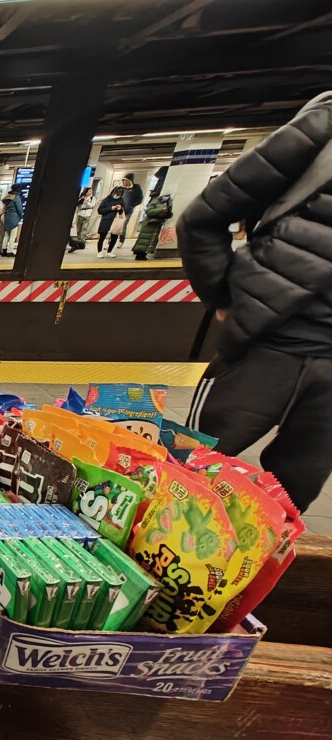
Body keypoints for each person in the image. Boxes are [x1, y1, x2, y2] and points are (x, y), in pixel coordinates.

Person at [179, 91, 332, 512]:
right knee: (184, 477)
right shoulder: (323, 127)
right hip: (269, 345)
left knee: (291, 501)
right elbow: (200, 219)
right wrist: (224, 297)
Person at [132, 191, 172, 261]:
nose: (166, 198)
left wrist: (168, 213)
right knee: (144, 239)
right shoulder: (155, 202)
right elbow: (149, 212)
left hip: (157, 224)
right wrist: (161, 210)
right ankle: (139, 254)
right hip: (149, 223)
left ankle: (143, 254)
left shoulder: (168, 204)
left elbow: (169, 215)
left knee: (151, 240)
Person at [95, 186, 128, 258]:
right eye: (117, 193)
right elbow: (100, 210)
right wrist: (111, 208)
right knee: (102, 237)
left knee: (114, 237)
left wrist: (120, 209)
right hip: (106, 220)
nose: (117, 196)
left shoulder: (121, 200)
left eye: (120, 194)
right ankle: (99, 252)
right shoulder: (107, 199)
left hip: (116, 222)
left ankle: (109, 251)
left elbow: (124, 212)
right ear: (113, 192)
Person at [116, 173, 144, 251]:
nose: (124, 182)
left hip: (128, 210)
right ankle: (111, 240)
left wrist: (132, 205)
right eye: (123, 180)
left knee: (123, 225)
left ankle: (121, 240)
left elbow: (140, 199)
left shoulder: (136, 188)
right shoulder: (121, 188)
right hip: (119, 210)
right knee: (115, 224)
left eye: (126, 180)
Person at [0, 189, 24, 256]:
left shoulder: (8, 196)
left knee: (6, 235)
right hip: (14, 218)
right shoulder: (16, 196)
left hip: (7, 217)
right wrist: (21, 216)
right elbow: (19, 208)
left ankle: (4, 250)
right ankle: (10, 251)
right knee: (13, 235)